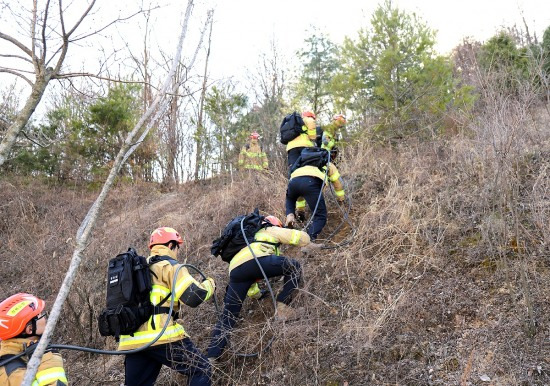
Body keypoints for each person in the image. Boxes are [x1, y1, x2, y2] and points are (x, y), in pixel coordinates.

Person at [120, 227, 216, 386]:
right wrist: (210, 285)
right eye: (177, 247)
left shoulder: (137, 269)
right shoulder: (170, 266)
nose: (178, 251)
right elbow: (194, 297)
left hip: (132, 343)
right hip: (161, 336)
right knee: (202, 369)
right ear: (171, 245)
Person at [207, 216, 310, 361]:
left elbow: (250, 282)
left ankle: (211, 357)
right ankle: (283, 308)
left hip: (236, 271)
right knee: (294, 267)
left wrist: (258, 295)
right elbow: (301, 238)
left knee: (228, 316)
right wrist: (304, 235)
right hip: (258, 260)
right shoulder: (269, 229)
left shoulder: (245, 242)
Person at [0, 293, 68, 385]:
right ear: (30, 329)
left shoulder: (16, 356)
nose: (45, 319)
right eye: (41, 315)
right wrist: (49, 362)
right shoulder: (13, 373)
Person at [285, 150, 345, 247]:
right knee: (320, 216)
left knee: (290, 199)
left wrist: (300, 211)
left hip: (293, 181)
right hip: (311, 183)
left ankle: (290, 216)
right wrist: (341, 198)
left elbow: (300, 196)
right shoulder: (329, 164)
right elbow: (337, 184)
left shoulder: (302, 164)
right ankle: (307, 241)